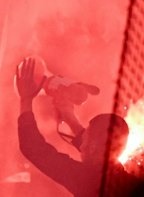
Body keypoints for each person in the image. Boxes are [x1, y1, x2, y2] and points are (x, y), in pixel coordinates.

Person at [13, 57, 123, 196]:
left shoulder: (88, 181)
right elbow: (97, 145)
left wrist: (26, 100)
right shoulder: (122, 177)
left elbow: (33, 148)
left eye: (85, 142)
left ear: (93, 147)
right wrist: (69, 117)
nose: (80, 146)